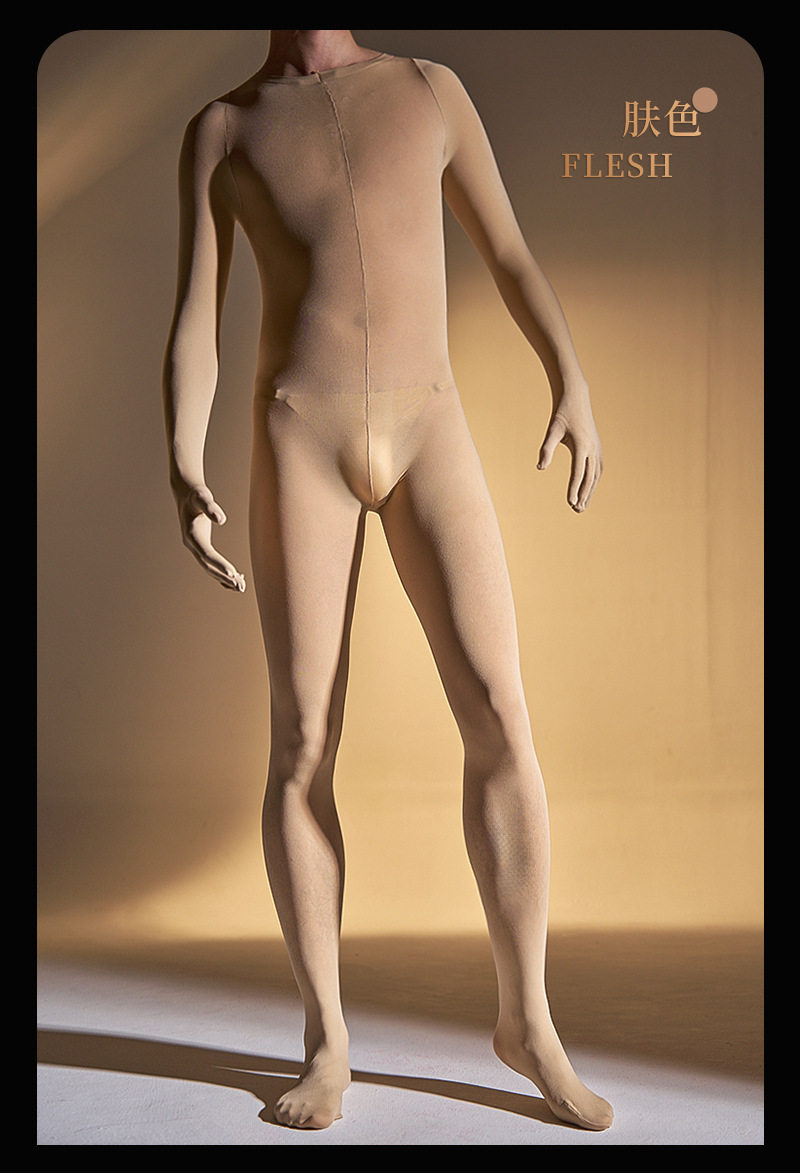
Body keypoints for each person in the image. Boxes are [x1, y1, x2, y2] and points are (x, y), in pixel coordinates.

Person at [163, 29, 612, 1132]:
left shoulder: (427, 90)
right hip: (298, 434)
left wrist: (569, 375)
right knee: (303, 740)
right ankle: (326, 1040)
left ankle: (528, 1022)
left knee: (498, 712)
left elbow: (508, 249)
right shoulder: (224, 128)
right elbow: (196, 316)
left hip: (428, 425)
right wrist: (180, 458)